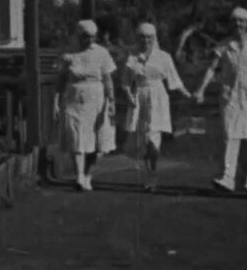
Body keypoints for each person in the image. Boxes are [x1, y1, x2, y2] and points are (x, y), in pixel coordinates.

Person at [194, 7, 247, 193]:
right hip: (231, 96)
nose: (238, 24)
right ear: (231, 23)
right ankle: (228, 178)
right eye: (235, 21)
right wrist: (201, 90)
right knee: (231, 135)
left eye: (242, 21)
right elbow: (212, 69)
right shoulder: (224, 45)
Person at [121, 22, 193, 191]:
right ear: (137, 38)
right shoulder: (132, 56)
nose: (145, 40)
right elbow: (125, 82)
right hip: (139, 97)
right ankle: (150, 174)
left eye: (149, 37)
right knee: (145, 140)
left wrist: (189, 95)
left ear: (154, 38)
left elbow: (175, 80)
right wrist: (129, 96)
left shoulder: (164, 57)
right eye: (142, 37)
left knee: (153, 140)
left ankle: (153, 172)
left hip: (158, 98)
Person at [56, 19, 117, 191]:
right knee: (77, 137)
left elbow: (108, 79)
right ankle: (79, 176)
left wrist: (111, 101)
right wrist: (55, 102)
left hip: (96, 98)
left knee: (97, 143)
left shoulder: (102, 53)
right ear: (78, 35)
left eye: (92, 37)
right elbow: (60, 80)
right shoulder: (69, 54)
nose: (89, 40)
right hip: (74, 98)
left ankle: (88, 175)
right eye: (85, 36)